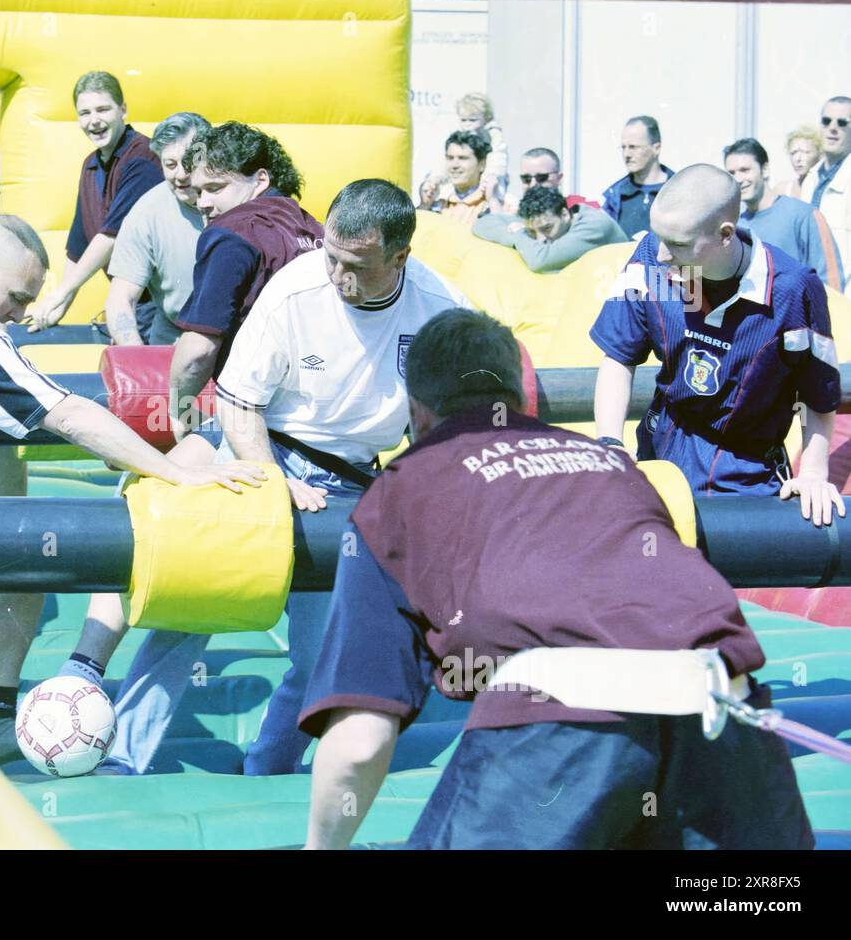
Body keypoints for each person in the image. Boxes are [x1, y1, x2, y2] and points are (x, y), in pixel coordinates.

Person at [300, 307, 814, 850]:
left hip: (559, 730)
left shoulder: (400, 493)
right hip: (726, 718)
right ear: (522, 400)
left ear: (417, 413)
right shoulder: (609, 464)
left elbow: (359, 742)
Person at [108, 180, 471, 777]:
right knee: (192, 606)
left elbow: (455, 415)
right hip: (262, 449)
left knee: (320, 654)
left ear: (401, 257)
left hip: (350, 478)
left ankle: (266, 771)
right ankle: (122, 759)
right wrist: (269, 478)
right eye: (330, 254)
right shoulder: (296, 288)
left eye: (355, 265)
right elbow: (239, 403)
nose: (335, 273)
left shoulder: (441, 308)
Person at [0, 216, 265, 759]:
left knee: (7, 525)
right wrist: (174, 470)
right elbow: (71, 414)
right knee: (27, 554)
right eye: (18, 296)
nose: (22, 313)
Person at [590, 165, 844, 524]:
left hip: (748, 475)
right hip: (662, 456)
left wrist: (815, 473)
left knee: (729, 574)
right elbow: (619, 355)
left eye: (677, 243)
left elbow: (818, 393)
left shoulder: (792, 289)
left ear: (725, 234)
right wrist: (610, 445)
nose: (661, 253)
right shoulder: (655, 259)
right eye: (657, 236)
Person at [168, 121, 322, 437]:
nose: (202, 203)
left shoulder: (231, 233)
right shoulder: (314, 230)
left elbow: (198, 351)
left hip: (262, 416)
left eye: (215, 187)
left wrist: (177, 411)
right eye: (197, 191)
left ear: (260, 179)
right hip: (326, 416)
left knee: (153, 480)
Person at [30, 72, 163, 336]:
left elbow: (112, 236)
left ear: (122, 110)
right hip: (130, 303)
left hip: (160, 304)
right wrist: (60, 307)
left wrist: (60, 294)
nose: (94, 121)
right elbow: (79, 246)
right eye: (85, 113)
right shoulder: (90, 165)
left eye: (103, 109)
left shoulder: (143, 157)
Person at [102, 112, 210, 346]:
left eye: (189, 163)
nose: (180, 175)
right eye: (170, 165)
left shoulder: (240, 199)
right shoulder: (146, 213)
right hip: (173, 338)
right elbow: (121, 298)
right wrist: (136, 354)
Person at [724, 138, 842, 290]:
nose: (738, 179)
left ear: (765, 170)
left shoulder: (803, 215)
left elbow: (831, 281)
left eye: (745, 170)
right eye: (732, 173)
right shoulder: (736, 227)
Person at [472, 185, 628, 272]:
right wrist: (520, 236)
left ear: (565, 214)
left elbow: (540, 260)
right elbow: (483, 224)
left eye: (547, 229)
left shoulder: (594, 225)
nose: (540, 239)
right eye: (533, 232)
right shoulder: (542, 218)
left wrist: (521, 234)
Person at [801, 96, 851, 287]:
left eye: (842, 122)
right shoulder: (811, 178)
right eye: (826, 121)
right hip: (815, 294)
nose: (833, 127)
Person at [602, 115, 674, 239]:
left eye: (633, 147)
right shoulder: (616, 196)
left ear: (656, 148)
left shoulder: (678, 190)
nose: (626, 154)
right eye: (623, 147)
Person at [417, 130, 499, 225]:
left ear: (482, 164)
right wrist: (425, 205)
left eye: (462, 158)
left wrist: (493, 201)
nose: (454, 165)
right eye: (450, 158)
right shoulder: (439, 204)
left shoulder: (494, 205)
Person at [502, 146, 599, 215]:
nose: (533, 185)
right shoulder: (512, 212)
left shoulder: (580, 209)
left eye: (541, 178)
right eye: (526, 179)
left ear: (559, 178)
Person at [455, 93, 508, 201]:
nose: (467, 125)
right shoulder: (461, 135)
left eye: (472, 120)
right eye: (463, 120)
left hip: (491, 181)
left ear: (486, 119)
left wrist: (489, 177)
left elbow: (498, 157)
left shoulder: (493, 135)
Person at [781, 125, 823, 199]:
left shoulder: (827, 189)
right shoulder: (782, 190)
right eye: (793, 153)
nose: (798, 159)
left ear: (819, 154)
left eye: (805, 152)